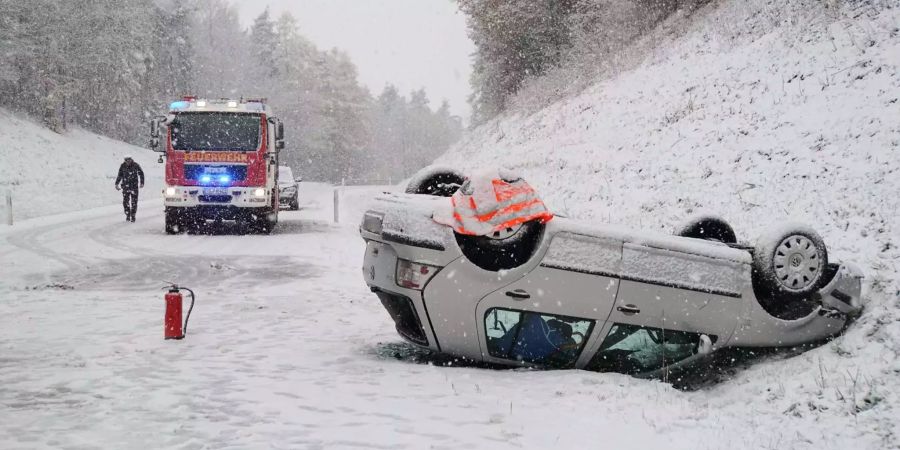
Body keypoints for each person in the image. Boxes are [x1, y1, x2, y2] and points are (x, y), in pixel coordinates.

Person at [115, 155, 144, 222]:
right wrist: (116, 183)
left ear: (131, 159)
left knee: (134, 202)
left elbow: (141, 174)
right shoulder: (123, 166)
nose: (127, 161)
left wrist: (142, 183)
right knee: (125, 202)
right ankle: (128, 214)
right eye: (126, 160)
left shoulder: (136, 165)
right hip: (125, 187)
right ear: (124, 160)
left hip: (134, 187)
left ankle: (133, 215)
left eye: (129, 160)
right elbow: (120, 175)